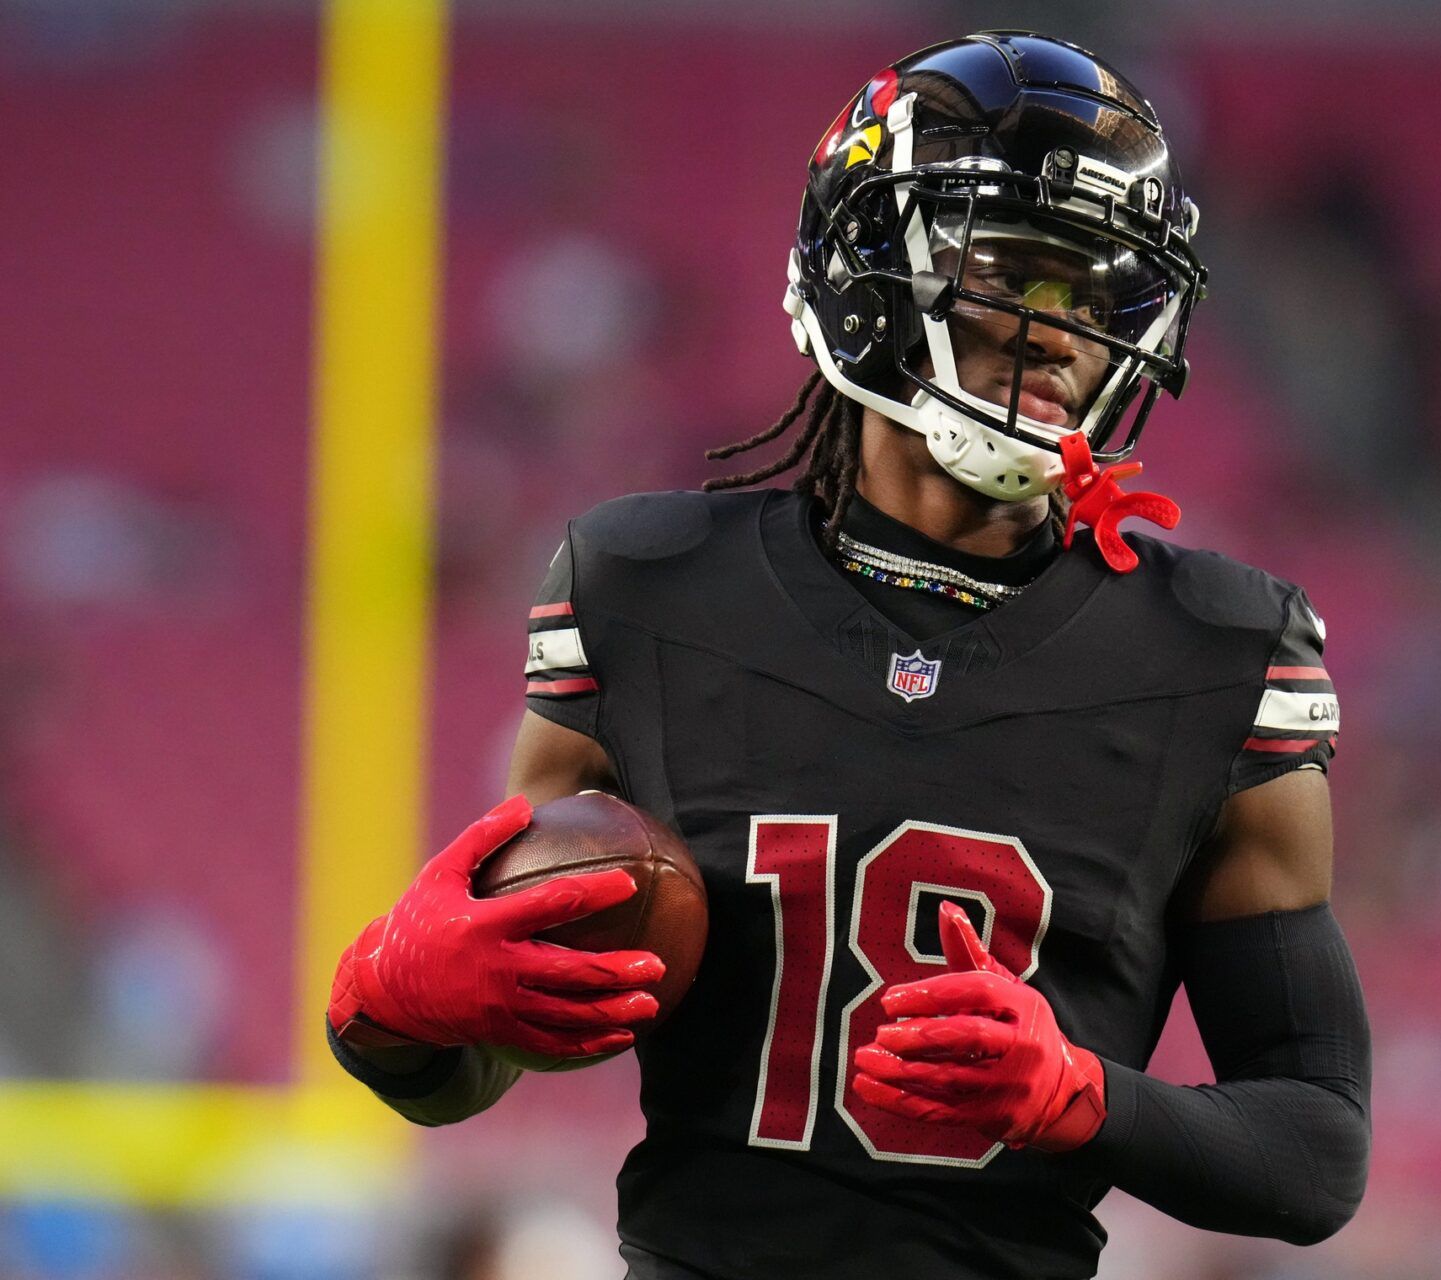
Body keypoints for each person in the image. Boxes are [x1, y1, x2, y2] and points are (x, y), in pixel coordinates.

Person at [325, 31, 1370, 1280]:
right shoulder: (644, 591)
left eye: (1092, 297)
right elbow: (481, 1051)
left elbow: (1315, 1150)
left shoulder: (1221, 650)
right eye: (1014, 275)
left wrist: (1086, 1095)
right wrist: (386, 1004)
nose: (1056, 332)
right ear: (866, 277)